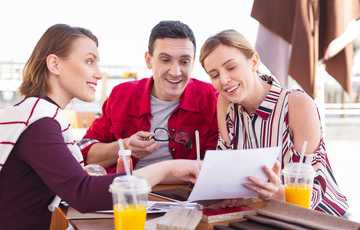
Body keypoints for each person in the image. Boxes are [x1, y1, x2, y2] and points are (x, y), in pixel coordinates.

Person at [0, 24, 201, 230]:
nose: (98, 74)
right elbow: (83, 194)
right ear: (55, 64)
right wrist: (171, 167)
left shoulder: (36, 114)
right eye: (89, 62)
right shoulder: (39, 124)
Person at [199, 29, 348, 216]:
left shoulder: (297, 104)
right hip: (265, 214)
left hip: (319, 218)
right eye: (214, 75)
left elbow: (313, 186)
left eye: (231, 67)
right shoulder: (225, 102)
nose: (224, 80)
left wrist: (280, 194)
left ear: (253, 62)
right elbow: (227, 164)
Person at [79, 20, 218, 173]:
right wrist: (125, 146)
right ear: (148, 60)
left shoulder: (212, 98)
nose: (175, 71)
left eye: (184, 62)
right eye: (165, 60)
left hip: (186, 195)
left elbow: (215, 167)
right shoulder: (122, 95)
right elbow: (87, 154)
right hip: (128, 193)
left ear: (192, 63)